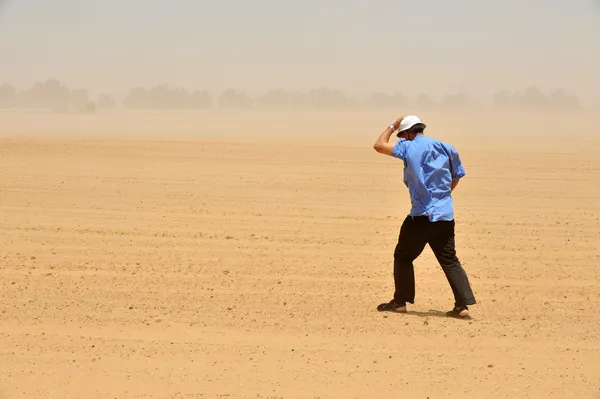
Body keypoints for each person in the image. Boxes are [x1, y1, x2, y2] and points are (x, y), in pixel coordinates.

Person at [372, 115, 476, 318]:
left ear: (407, 132)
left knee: (403, 256)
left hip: (420, 215)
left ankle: (400, 302)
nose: (402, 138)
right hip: (445, 214)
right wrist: (441, 199)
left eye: (403, 134)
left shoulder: (407, 147)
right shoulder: (447, 147)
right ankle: (462, 306)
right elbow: (456, 177)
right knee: (449, 260)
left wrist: (393, 125)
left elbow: (378, 145)